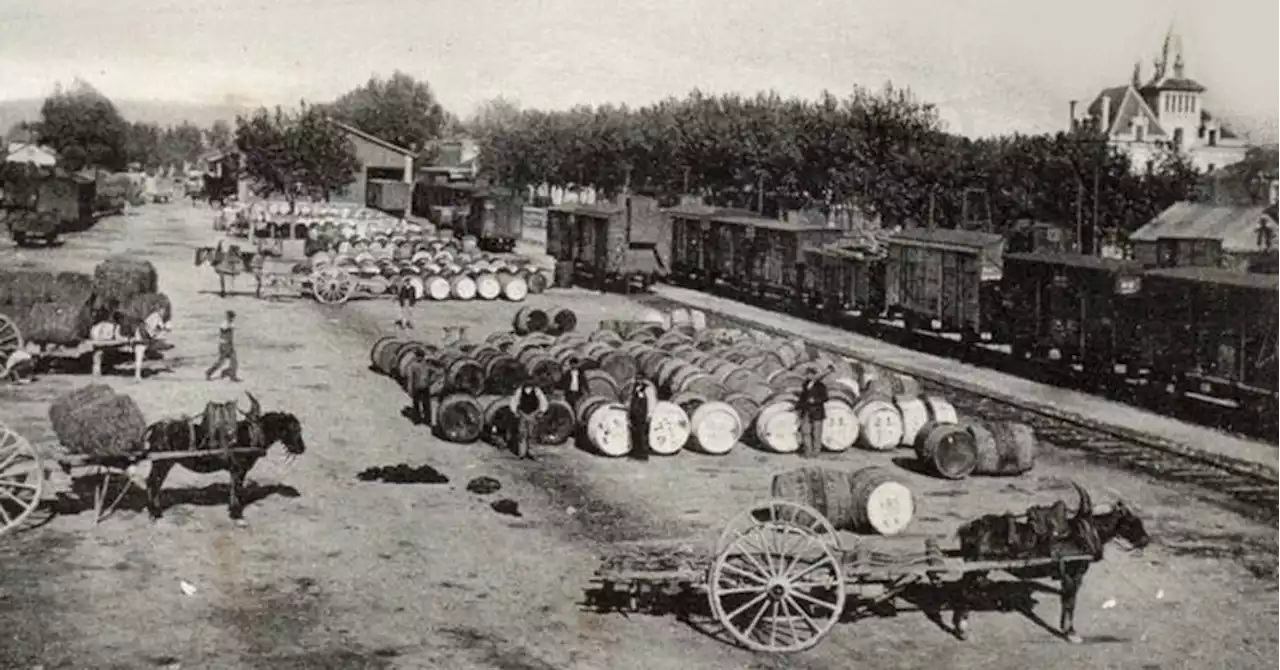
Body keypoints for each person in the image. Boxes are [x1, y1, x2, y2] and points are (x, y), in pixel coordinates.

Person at [508, 383, 548, 460]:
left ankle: (531, 452)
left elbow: (543, 401)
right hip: (523, 414)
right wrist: (514, 411)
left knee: (532, 434)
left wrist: (541, 411)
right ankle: (522, 453)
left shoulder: (537, 390)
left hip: (533, 414)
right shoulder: (520, 390)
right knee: (522, 434)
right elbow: (514, 400)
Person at [627, 373, 658, 461]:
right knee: (635, 434)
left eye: (640, 379)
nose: (638, 380)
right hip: (635, 414)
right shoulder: (635, 387)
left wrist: (650, 414)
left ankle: (643, 455)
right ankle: (635, 454)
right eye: (637, 379)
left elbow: (651, 402)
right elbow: (632, 400)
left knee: (643, 435)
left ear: (644, 379)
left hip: (643, 415)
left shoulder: (648, 389)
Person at [796, 374, 829, 458]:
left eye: (810, 374)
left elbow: (825, 398)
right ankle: (807, 452)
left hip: (817, 412)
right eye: (808, 374)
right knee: (805, 431)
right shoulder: (805, 384)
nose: (808, 376)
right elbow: (802, 398)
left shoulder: (821, 385)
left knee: (816, 433)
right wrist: (797, 407)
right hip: (806, 411)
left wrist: (815, 400)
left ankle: (816, 452)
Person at [205, 310, 241, 382]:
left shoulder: (228, 324)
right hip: (225, 345)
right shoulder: (225, 325)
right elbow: (225, 336)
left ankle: (231, 374)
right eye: (232, 317)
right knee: (221, 361)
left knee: (233, 361)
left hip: (226, 345)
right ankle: (210, 372)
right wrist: (228, 345)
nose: (232, 319)